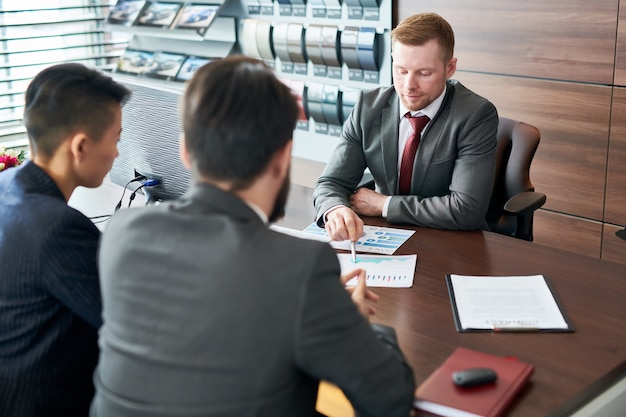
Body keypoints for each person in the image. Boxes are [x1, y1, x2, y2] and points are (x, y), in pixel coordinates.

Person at [92, 55, 415, 417]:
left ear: (184, 151)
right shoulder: (301, 268)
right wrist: (350, 322)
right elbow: (389, 400)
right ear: (283, 157)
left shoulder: (120, 233)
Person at [0, 63, 131, 416]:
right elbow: (127, 327)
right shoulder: (57, 228)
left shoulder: (7, 185)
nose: (117, 154)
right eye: (116, 139)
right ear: (81, 146)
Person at [313, 12, 498, 242]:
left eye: (424, 73)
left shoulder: (475, 115)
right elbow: (330, 183)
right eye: (401, 71)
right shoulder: (367, 107)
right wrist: (335, 210)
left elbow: (466, 209)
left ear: (450, 68)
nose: (409, 86)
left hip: (451, 243)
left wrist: (384, 204)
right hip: (385, 237)